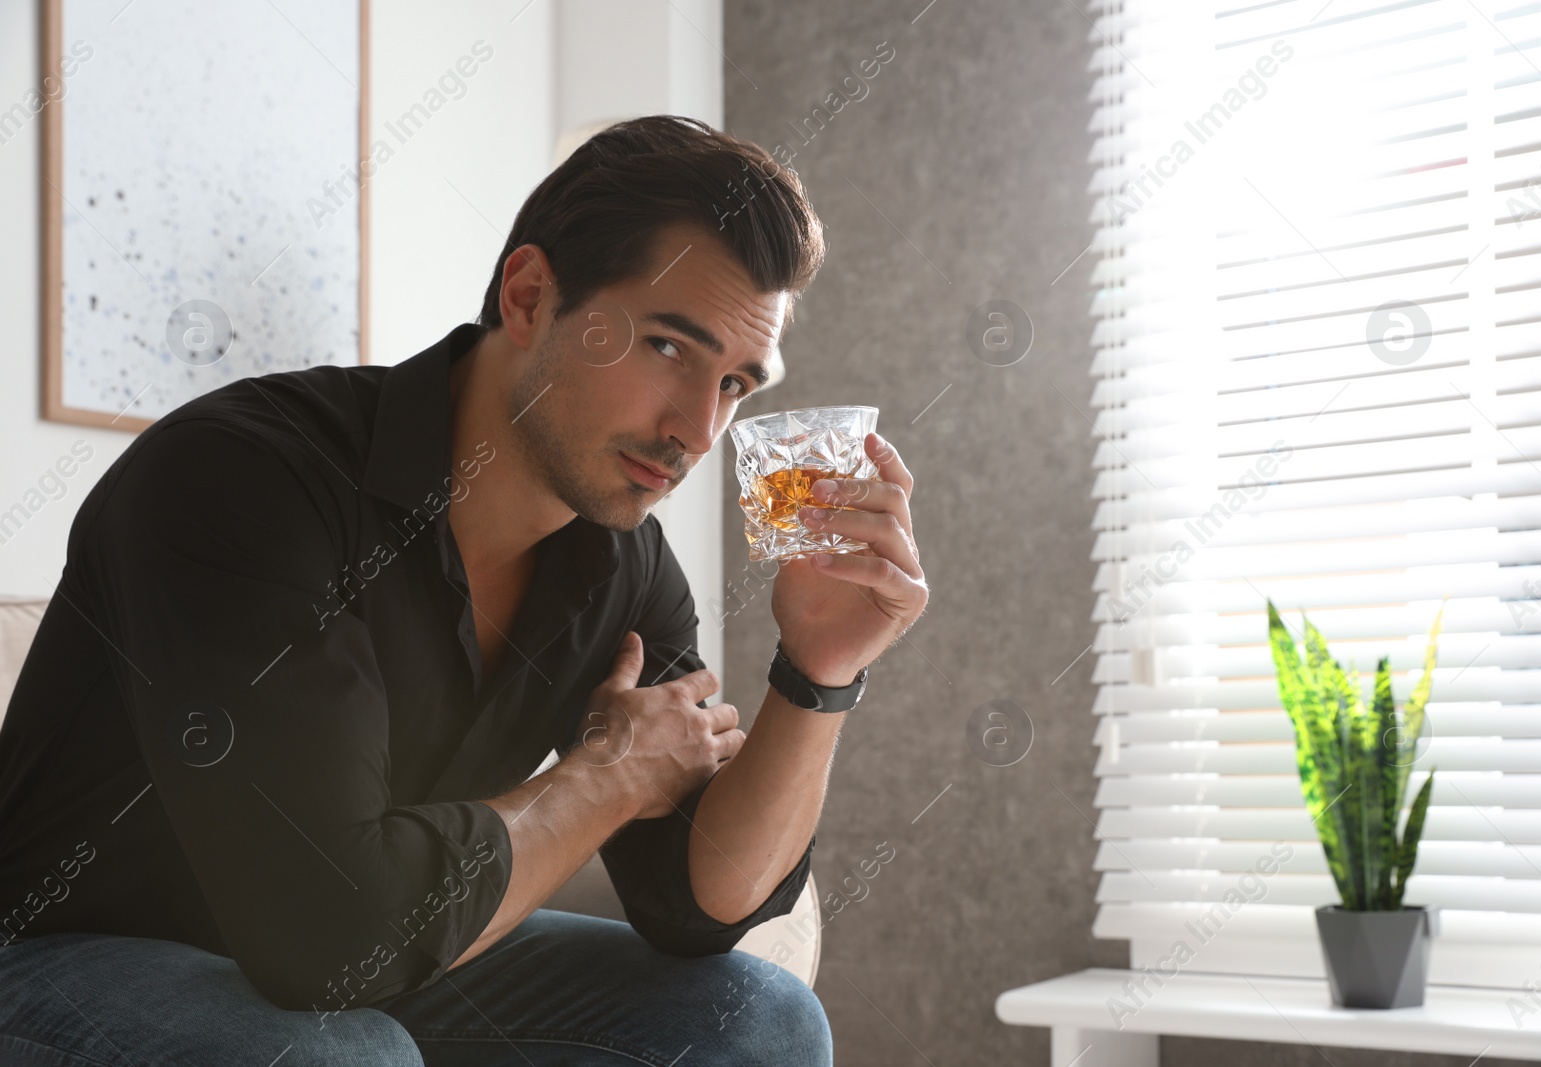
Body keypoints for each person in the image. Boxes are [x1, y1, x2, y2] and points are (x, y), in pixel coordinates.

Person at [0, 114, 928, 1065]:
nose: (696, 428)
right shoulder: (244, 480)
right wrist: (602, 778)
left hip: (379, 952)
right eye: (666, 348)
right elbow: (324, 939)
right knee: (343, 1056)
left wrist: (816, 668)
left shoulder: (622, 562)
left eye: (735, 383)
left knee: (760, 1019)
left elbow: (697, 902)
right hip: (68, 958)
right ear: (528, 296)